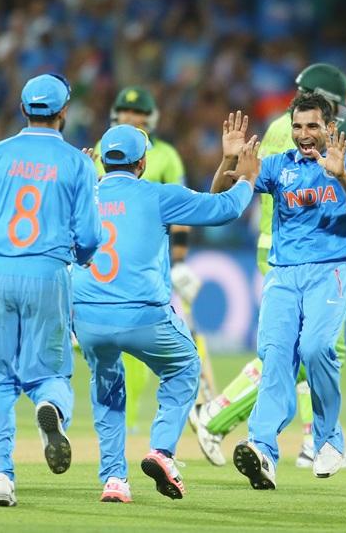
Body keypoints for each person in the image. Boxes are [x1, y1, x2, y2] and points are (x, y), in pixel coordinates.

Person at [190, 63, 346, 471]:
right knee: (298, 351)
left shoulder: (301, 137)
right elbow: (249, 188)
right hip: (290, 256)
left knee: (309, 350)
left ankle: (315, 438)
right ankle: (249, 426)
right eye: (334, 106)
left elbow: (338, 190)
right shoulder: (289, 136)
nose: (310, 130)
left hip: (306, 253)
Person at [72, 120, 259, 503]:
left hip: (87, 316)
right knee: (185, 366)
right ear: (142, 162)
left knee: (107, 390)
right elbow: (223, 209)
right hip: (142, 315)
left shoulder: (82, 194)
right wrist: (247, 180)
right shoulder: (156, 195)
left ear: (104, 162)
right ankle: (161, 451)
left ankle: (114, 480)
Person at [0, 73, 101, 506]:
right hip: (48, 273)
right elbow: (89, 234)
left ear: (24, 109)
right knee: (51, 371)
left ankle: (1, 476)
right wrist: (81, 258)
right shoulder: (76, 163)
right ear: (64, 112)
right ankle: (50, 406)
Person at [92, 86, 210, 434]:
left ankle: (127, 434)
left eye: (137, 113)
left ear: (150, 118)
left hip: (153, 269)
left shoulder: (167, 157)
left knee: (140, 353)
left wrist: (180, 261)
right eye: (125, 113)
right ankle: (150, 433)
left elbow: (182, 212)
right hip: (114, 267)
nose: (130, 118)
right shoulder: (105, 148)